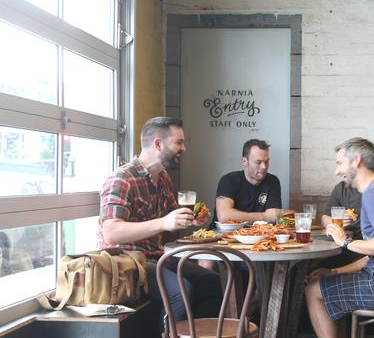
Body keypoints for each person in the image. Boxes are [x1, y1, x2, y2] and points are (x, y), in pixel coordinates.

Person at [98, 117, 220, 325]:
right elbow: (111, 232)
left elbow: (172, 216)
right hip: (127, 263)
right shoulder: (122, 178)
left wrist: (191, 219)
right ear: (157, 144)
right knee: (181, 292)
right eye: (178, 143)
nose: (184, 148)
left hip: (158, 258)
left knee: (212, 282)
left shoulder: (162, 178)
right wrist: (164, 223)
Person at [305, 137, 374, 338]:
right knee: (324, 283)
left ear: (356, 161)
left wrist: (345, 241)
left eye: (340, 163)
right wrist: (333, 271)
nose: (337, 171)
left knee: (313, 291)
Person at [213, 139, 282, 224]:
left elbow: (273, 217)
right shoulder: (229, 180)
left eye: (266, 162)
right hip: (222, 235)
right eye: (258, 162)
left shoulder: (272, 181)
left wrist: (238, 216)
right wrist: (264, 216)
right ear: (244, 161)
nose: (264, 167)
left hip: (258, 235)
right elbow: (224, 216)